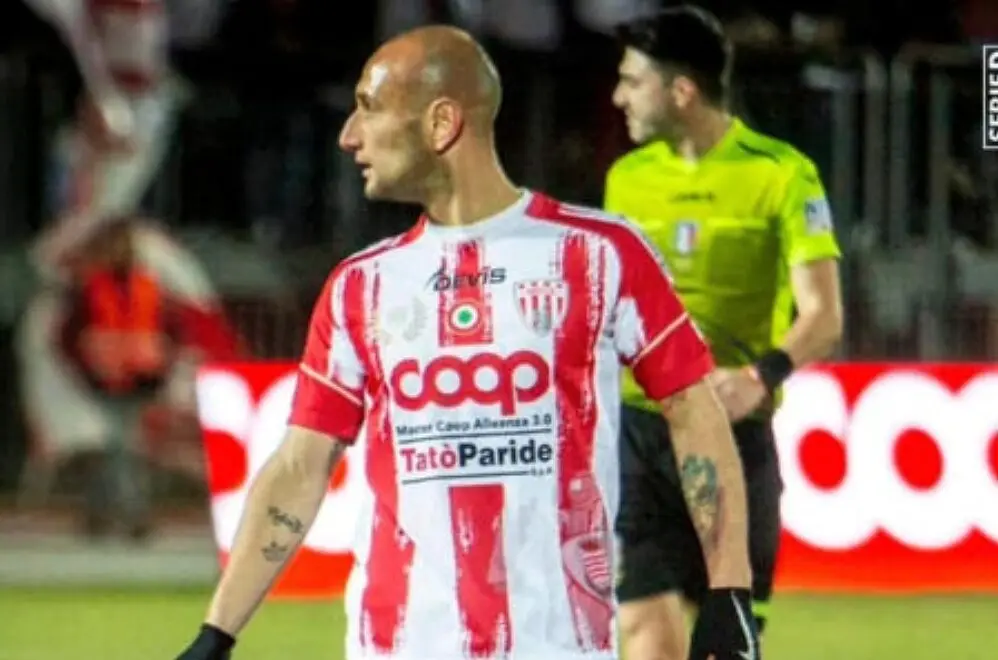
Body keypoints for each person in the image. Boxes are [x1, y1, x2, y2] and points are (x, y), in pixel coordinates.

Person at [176, 25, 757, 660]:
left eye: (369, 108)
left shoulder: (602, 254)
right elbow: (299, 466)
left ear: (441, 122)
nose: (348, 135)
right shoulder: (358, 286)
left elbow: (693, 407)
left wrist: (728, 590)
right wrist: (217, 633)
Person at [605, 6, 843, 659]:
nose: (619, 97)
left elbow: (824, 315)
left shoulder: (781, 173)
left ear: (682, 90)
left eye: (633, 81)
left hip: (732, 437)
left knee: (724, 644)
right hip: (639, 434)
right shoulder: (627, 179)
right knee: (644, 632)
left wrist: (757, 378)